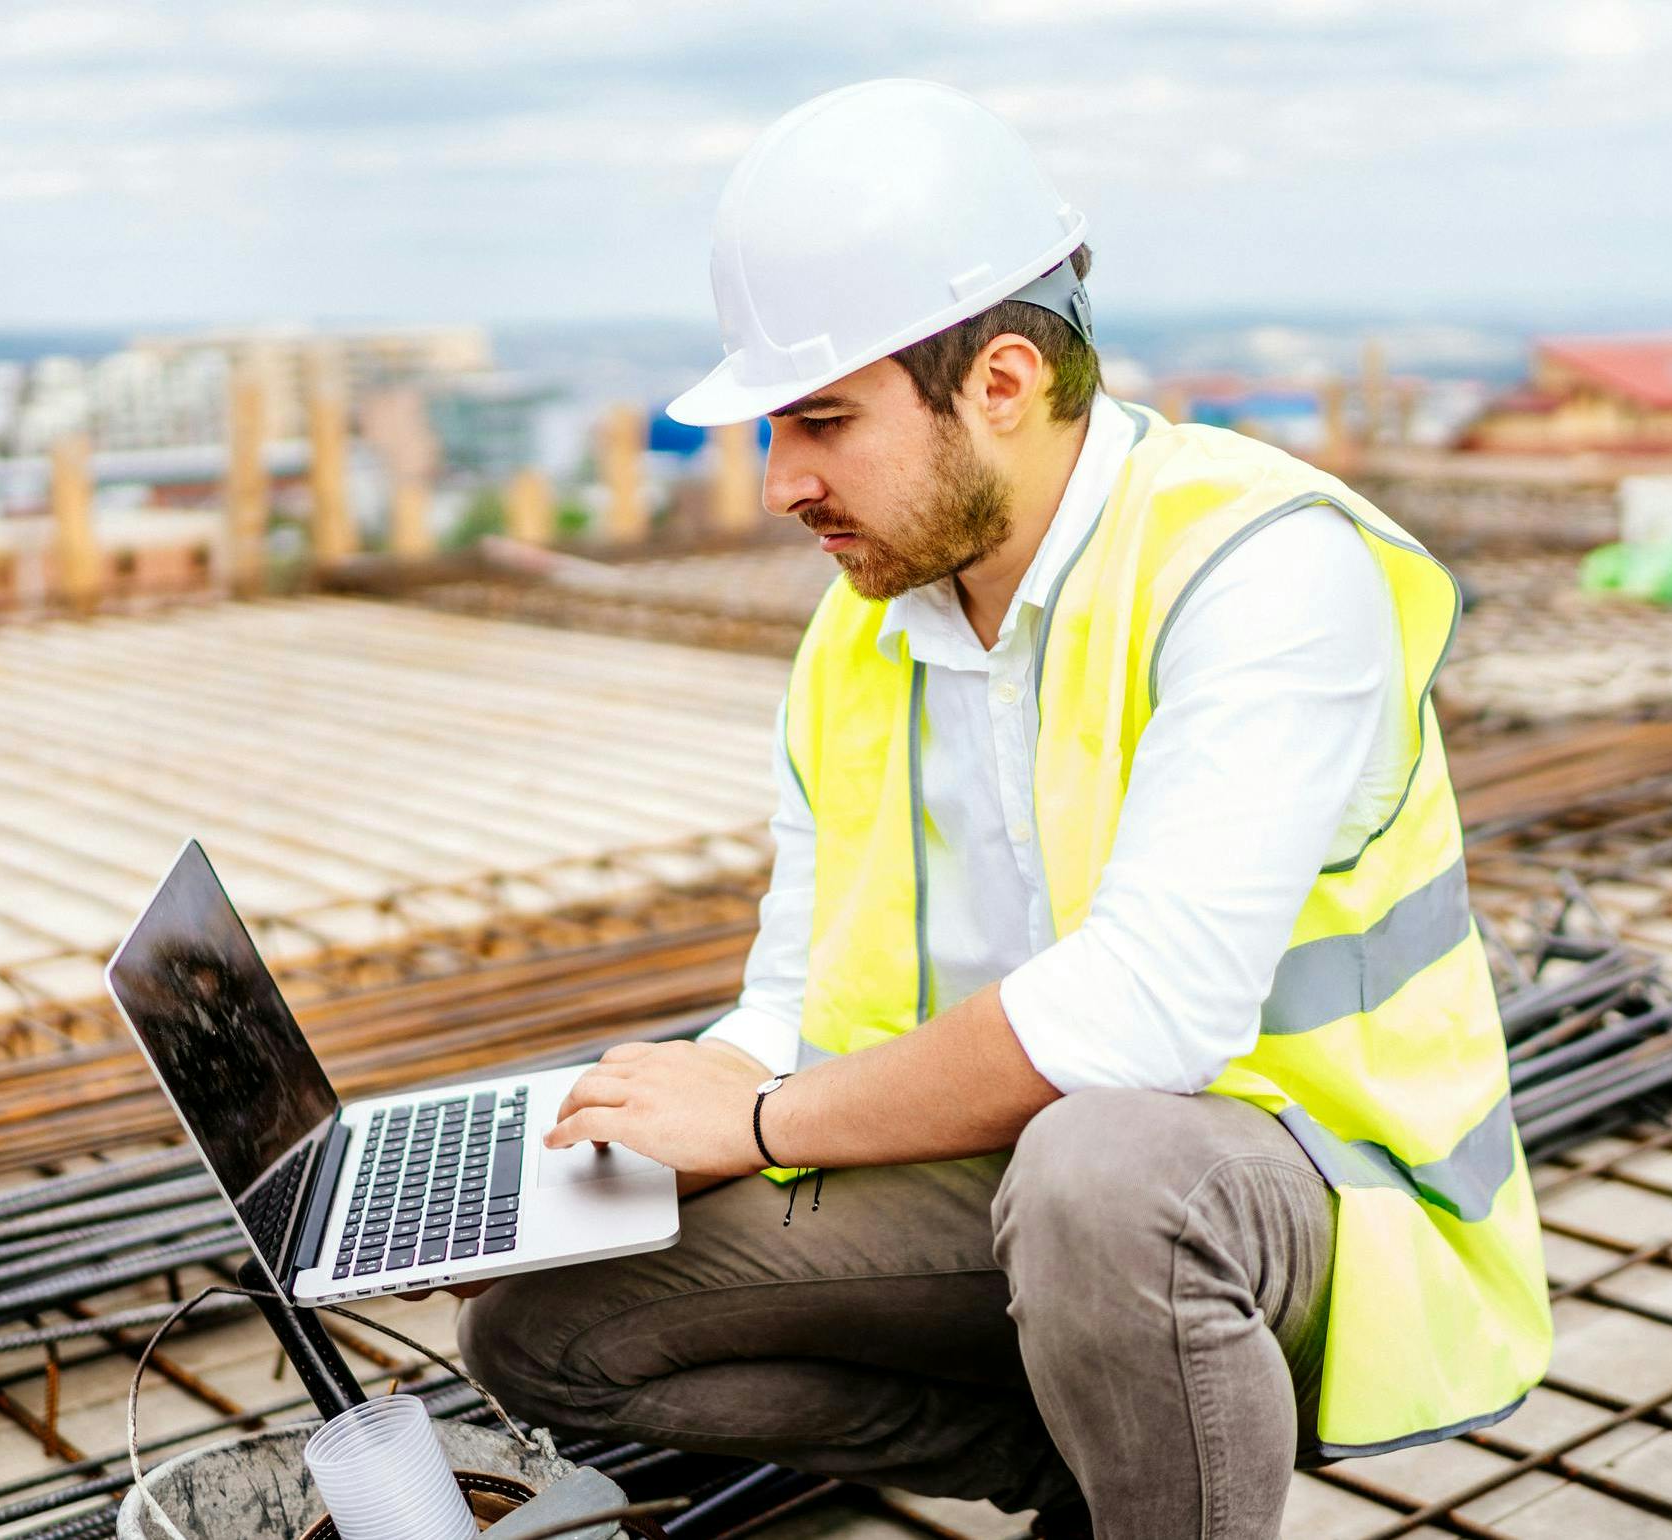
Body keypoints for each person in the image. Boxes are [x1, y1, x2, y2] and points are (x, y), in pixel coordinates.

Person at [458, 79, 1550, 1540]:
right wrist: (636, 1139)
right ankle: (1089, 1473)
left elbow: (1146, 1013)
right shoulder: (864, 635)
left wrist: (767, 1120)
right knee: (541, 1330)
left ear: (1003, 384)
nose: (780, 484)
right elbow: (796, 989)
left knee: (1102, 1178)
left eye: (823, 423)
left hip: (1301, 1193)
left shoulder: (1262, 571)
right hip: (997, 1177)